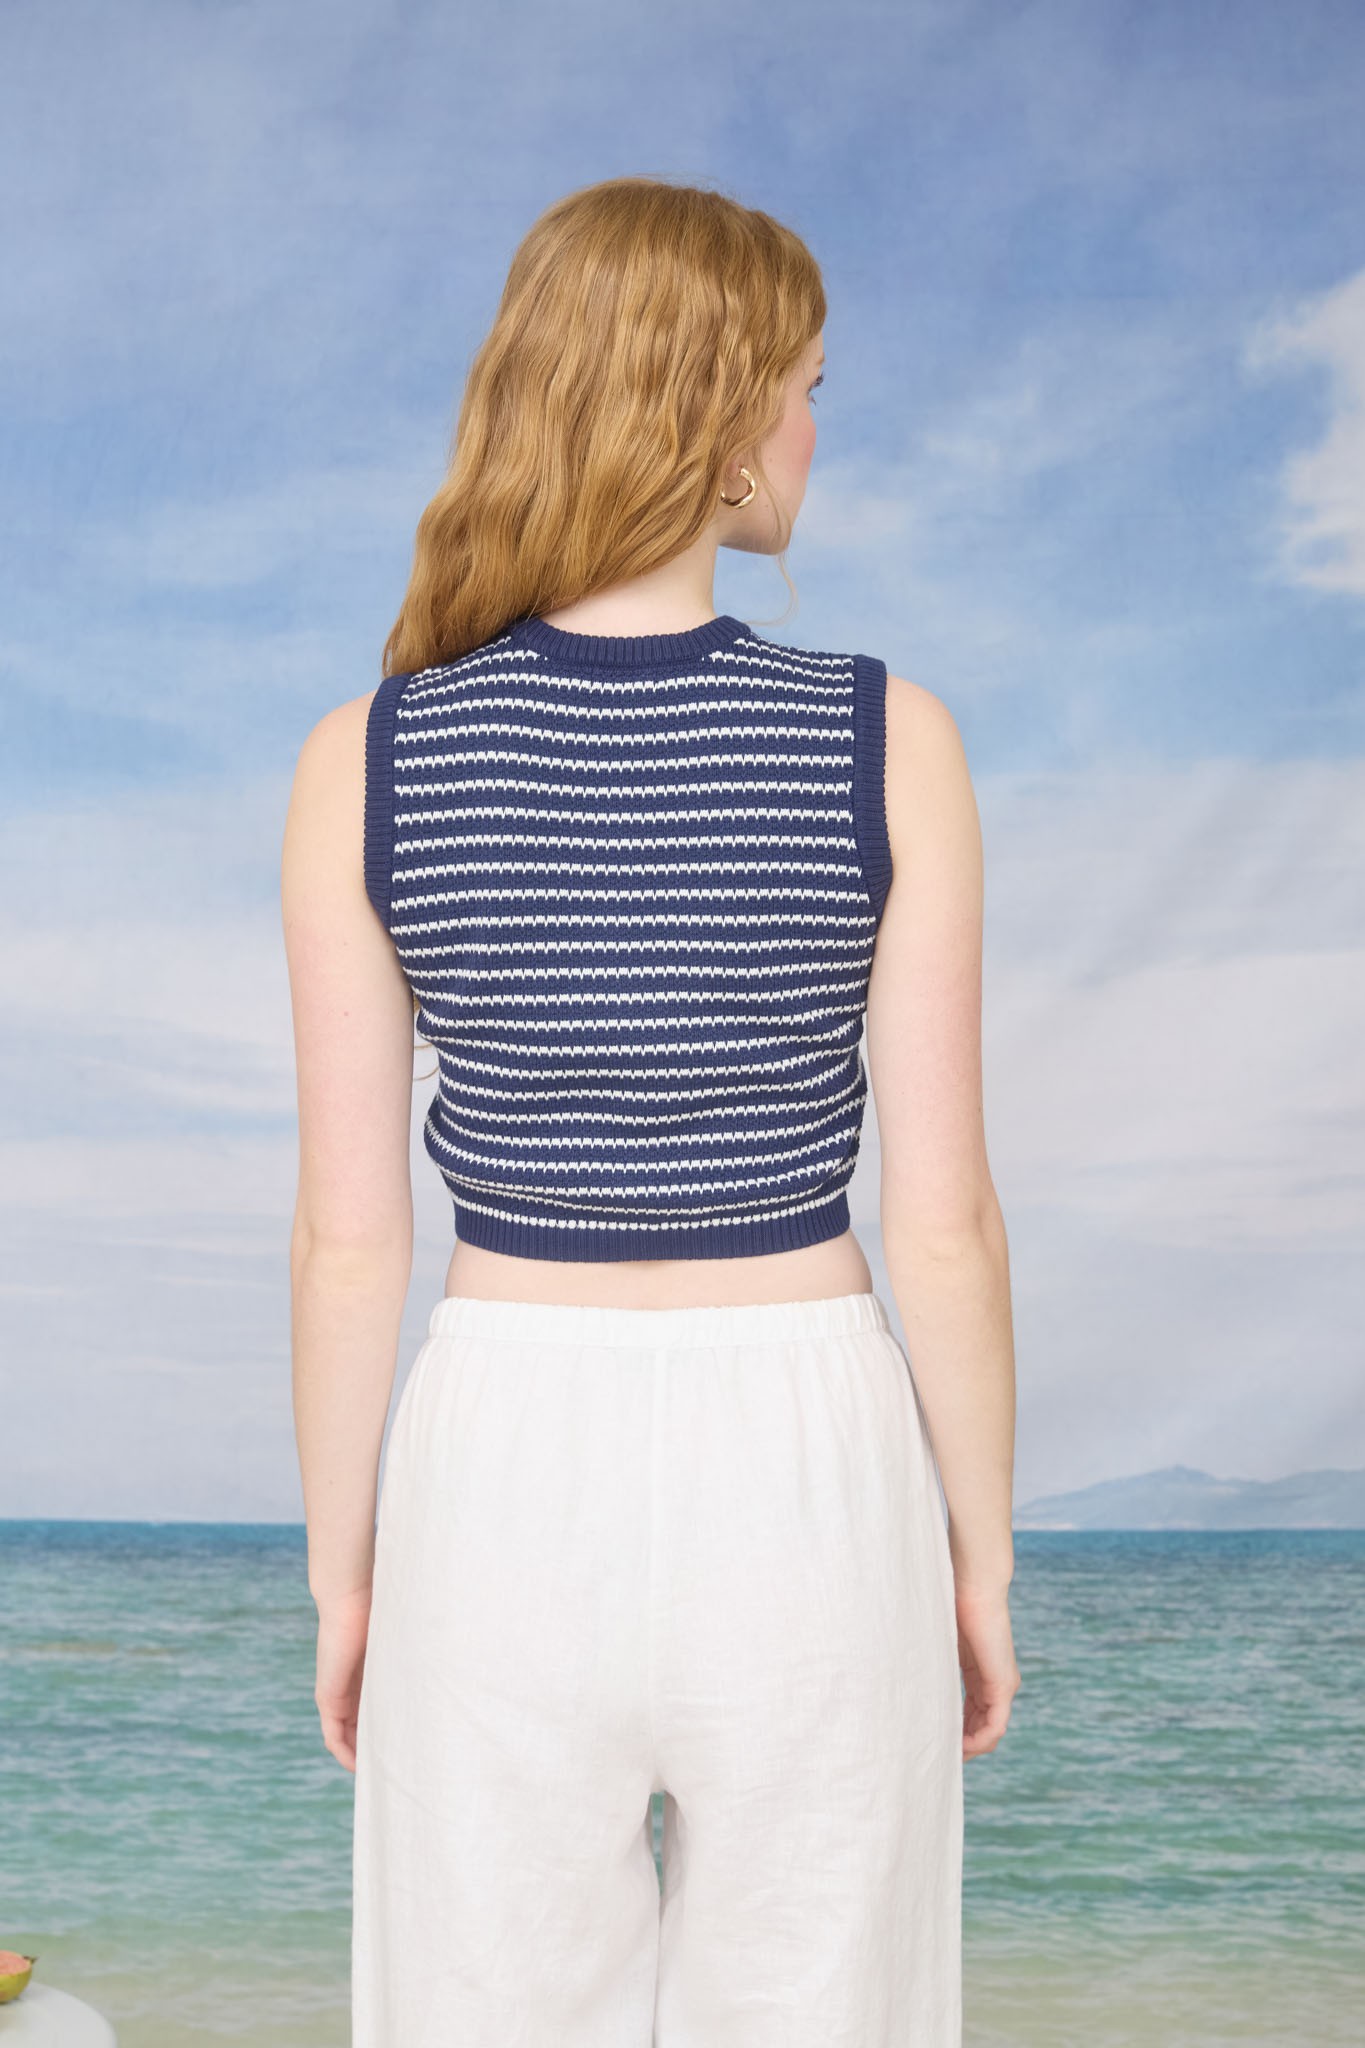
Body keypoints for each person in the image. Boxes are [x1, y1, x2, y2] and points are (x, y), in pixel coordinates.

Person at [281, 174, 1019, 2048]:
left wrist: (344, 1573)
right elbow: (941, 1220)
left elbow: (350, 1239)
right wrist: (979, 1553)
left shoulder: (369, 759)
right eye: (805, 387)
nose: (815, 430)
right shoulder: (885, 739)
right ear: (718, 416)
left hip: (499, 1458)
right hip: (810, 1451)